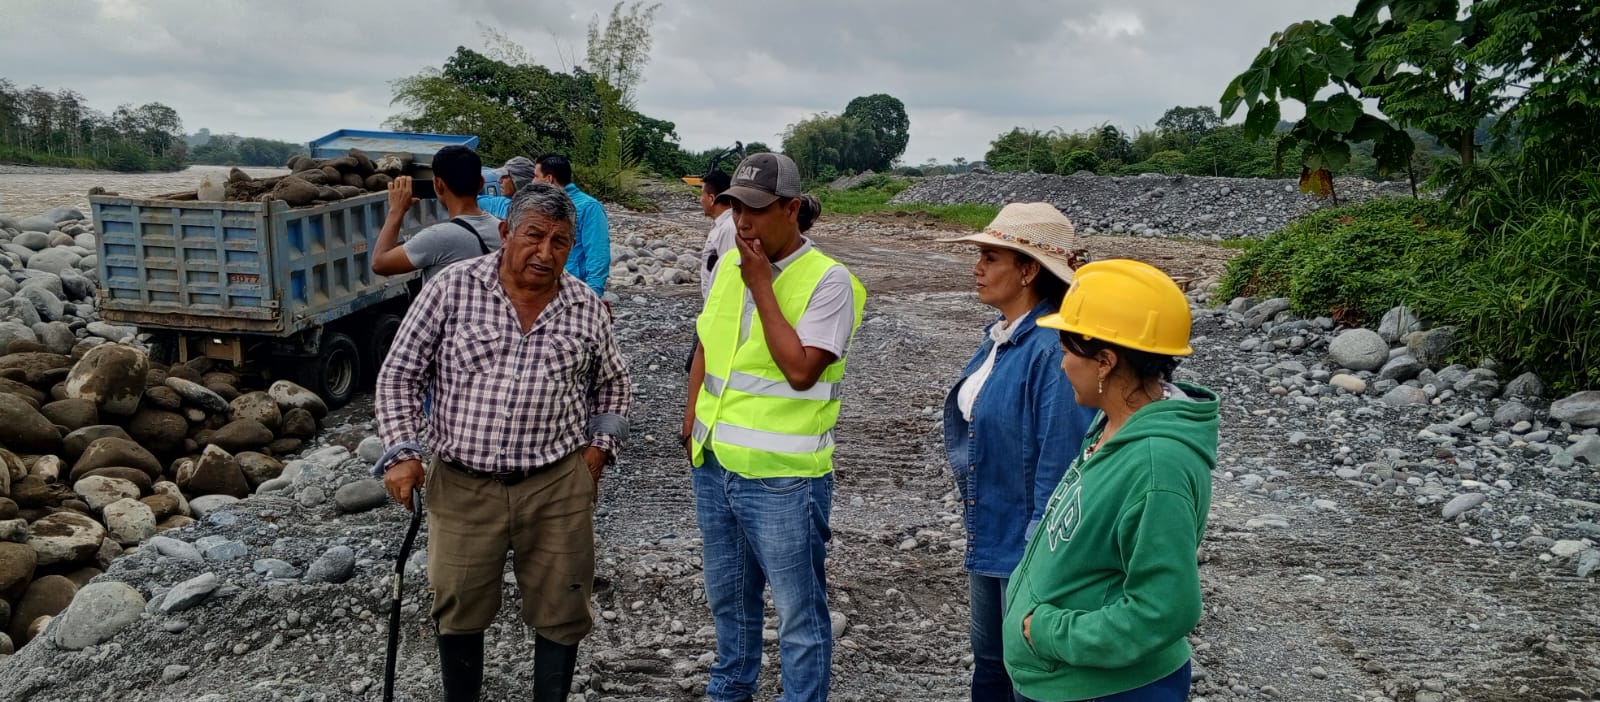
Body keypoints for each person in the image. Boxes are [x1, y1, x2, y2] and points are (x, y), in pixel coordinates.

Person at [373, 183, 632, 702]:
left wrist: (599, 450)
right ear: (506, 232)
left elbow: (614, 383)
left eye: (560, 241)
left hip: (557, 484)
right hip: (463, 483)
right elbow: (400, 375)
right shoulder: (453, 287)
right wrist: (402, 452)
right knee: (458, 603)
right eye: (534, 235)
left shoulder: (585, 305)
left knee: (564, 605)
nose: (545, 252)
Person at [683, 152, 865, 702]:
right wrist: (691, 422)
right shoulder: (729, 266)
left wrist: (762, 283)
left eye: (757, 210)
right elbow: (707, 344)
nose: (743, 221)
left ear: (791, 209)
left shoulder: (829, 281)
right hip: (715, 464)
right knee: (728, 600)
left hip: (785, 480)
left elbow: (801, 371)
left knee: (798, 615)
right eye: (736, 208)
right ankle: (729, 689)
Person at [1003, 259, 1219, 702]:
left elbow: (1165, 609)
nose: (1062, 365)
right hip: (1068, 679)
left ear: (1104, 361)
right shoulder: (1112, 424)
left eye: (1067, 351)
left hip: (1107, 689)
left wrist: (1046, 631)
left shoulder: (1157, 465)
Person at [937, 203, 1097, 702]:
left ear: (1029, 271)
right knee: (992, 665)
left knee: (1028, 673)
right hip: (992, 531)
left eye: (991, 258)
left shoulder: (1051, 351)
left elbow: (1060, 464)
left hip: (1029, 545)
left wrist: (1039, 559)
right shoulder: (1002, 338)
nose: (977, 268)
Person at [372, 145, 501, 281]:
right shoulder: (501, 228)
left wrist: (396, 210)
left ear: (439, 184)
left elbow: (379, 263)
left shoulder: (438, 238)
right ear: (481, 183)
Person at [533, 153, 610, 296]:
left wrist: (592, 295)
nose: (533, 182)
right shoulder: (540, 206)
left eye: (536, 176)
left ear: (549, 179)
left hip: (574, 289)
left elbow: (598, 254)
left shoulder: (589, 207)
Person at [698, 169, 737, 300]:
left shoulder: (728, 228)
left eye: (701, 195)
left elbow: (731, 273)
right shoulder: (721, 225)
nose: (700, 200)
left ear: (711, 198)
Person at [478, 155, 536, 220]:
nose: (499, 180)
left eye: (504, 176)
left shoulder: (533, 213)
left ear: (518, 180)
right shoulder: (503, 203)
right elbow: (473, 201)